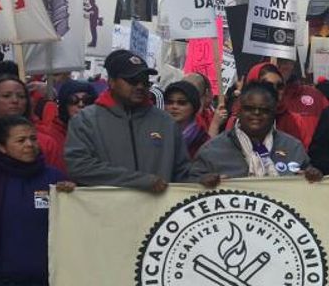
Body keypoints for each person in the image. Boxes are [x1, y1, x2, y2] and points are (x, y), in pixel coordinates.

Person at [0, 116, 75, 285]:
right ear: (1, 146)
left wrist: (73, 195)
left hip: (42, 277)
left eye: (33, 139)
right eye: (21, 140)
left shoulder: (55, 179)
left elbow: (72, 226)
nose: (29, 144)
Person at [64, 50, 193, 192]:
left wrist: (201, 179)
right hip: (107, 212)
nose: (140, 86)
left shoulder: (166, 123)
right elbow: (80, 167)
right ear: (112, 82)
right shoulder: (86, 120)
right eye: (132, 80)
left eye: (144, 81)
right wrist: (139, 181)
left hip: (158, 212)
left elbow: (182, 171)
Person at [192, 83, 323, 183]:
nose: (256, 113)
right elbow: (187, 188)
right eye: (249, 108)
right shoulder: (212, 150)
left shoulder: (293, 147)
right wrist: (202, 183)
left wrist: (313, 177)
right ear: (239, 110)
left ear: (274, 112)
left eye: (264, 110)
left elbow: (310, 187)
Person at [0, 76, 66, 178]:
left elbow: (57, 186)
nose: (15, 100)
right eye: (6, 96)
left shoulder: (47, 143)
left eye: (21, 96)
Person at [37, 80, 95, 147]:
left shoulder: (98, 130)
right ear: (64, 105)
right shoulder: (52, 134)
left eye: (86, 100)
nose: (81, 104)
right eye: (73, 100)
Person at [164, 81, 210, 158]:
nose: (174, 106)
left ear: (194, 107)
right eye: (170, 102)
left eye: (182, 103)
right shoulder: (156, 133)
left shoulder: (203, 141)